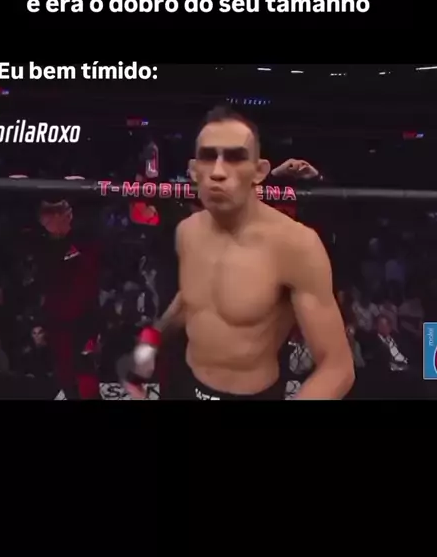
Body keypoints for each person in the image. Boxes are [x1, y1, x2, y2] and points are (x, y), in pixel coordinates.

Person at [128, 106, 354, 400]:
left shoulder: (296, 245)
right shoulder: (188, 231)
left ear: (259, 172)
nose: (218, 172)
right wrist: (149, 344)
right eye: (208, 157)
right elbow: (191, 299)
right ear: (194, 170)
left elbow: (338, 367)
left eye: (235, 157)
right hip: (184, 385)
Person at [37, 200, 102, 399]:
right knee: (65, 376)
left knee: (85, 375)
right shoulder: (42, 247)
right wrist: (40, 322)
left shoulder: (83, 241)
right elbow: (44, 288)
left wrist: (93, 329)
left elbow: (90, 287)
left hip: (82, 322)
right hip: (58, 326)